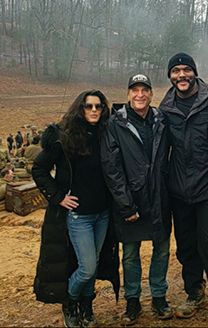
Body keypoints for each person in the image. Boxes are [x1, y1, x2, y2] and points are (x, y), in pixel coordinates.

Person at [32, 90, 119, 328]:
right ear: (79, 109)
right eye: (88, 106)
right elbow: (38, 169)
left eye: (98, 107)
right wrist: (58, 197)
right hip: (79, 216)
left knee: (95, 262)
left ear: (103, 110)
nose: (93, 110)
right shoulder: (64, 138)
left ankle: (87, 307)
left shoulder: (105, 135)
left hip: (102, 213)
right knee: (87, 266)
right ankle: (70, 300)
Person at [159, 53, 208, 326]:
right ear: (170, 75)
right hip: (179, 190)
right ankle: (195, 291)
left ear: (195, 72)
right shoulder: (165, 107)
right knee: (186, 246)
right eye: (176, 70)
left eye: (186, 70)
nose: (181, 75)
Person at [100, 74, 172, 324]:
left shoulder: (161, 120)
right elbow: (112, 168)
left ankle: (159, 295)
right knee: (130, 253)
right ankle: (133, 299)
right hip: (130, 199)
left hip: (160, 197)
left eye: (145, 90)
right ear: (128, 94)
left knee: (161, 250)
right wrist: (125, 203)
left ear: (151, 94)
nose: (140, 95)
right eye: (135, 90)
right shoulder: (115, 124)